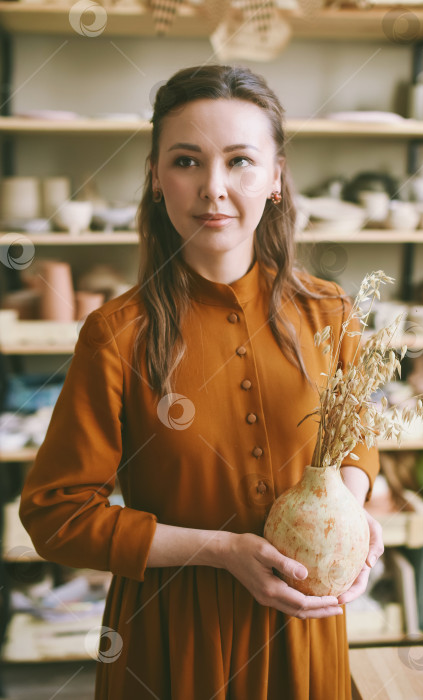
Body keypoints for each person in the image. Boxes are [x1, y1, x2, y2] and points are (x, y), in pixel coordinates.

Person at [19, 64, 383, 700]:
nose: (214, 188)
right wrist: (221, 551)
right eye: (187, 160)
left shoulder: (331, 314)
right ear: (157, 179)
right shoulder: (117, 334)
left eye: (241, 160)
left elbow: (355, 440)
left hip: (307, 633)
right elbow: (55, 515)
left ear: (275, 177)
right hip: (173, 639)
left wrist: (347, 511)